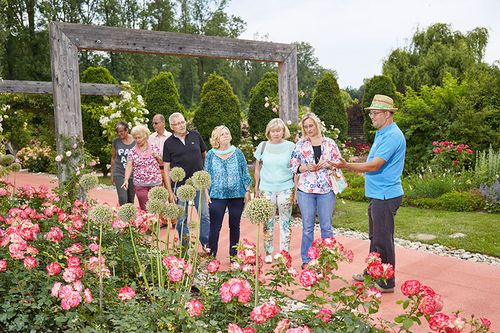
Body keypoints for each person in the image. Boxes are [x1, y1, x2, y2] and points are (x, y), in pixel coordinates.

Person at [332, 94, 406, 293]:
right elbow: (373, 158)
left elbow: (375, 165)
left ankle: (387, 281)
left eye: (375, 113)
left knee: (383, 239)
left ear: (388, 114)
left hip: (386, 195)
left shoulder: (392, 135)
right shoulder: (382, 133)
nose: (371, 117)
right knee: (376, 237)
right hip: (378, 194)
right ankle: (373, 272)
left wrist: (347, 165)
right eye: (371, 113)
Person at [290, 112, 343, 270]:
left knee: (326, 226)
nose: (308, 129)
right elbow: (293, 166)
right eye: (305, 127)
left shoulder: (330, 143)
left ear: (317, 125)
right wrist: (305, 167)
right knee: (307, 227)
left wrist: (329, 164)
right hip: (306, 189)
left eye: (311, 126)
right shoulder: (300, 145)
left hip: (326, 189)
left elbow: (339, 162)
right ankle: (307, 259)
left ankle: (328, 259)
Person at [162, 112, 210, 251]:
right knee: (181, 218)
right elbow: (166, 169)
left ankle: (206, 243)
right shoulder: (168, 143)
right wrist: (170, 191)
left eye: (182, 122)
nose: (181, 125)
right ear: (172, 127)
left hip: (198, 183)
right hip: (179, 186)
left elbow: (204, 155)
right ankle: (185, 246)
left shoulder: (195, 135)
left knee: (204, 215)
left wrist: (204, 175)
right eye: (177, 123)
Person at [204, 126, 251, 258]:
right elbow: (206, 175)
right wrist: (206, 193)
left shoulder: (238, 153)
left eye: (227, 133)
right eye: (222, 134)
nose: (225, 135)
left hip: (237, 194)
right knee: (215, 226)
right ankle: (211, 255)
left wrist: (247, 191)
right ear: (216, 138)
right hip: (216, 195)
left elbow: (245, 173)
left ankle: (233, 256)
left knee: (235, 225)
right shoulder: (210, 154)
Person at [253, 118, 295, 264]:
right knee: (267, 222)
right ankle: (268, 251)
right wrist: (256, 187)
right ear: (268, 132)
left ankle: (285, 253)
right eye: (273, 131)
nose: (276, 133)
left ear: (283, 131)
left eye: (279, 130)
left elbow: (296, 168)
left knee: (285, 222)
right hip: (267, 189)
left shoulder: (291, 147)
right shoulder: (262, 146)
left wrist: (295, 188)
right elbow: (257, 168)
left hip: (286, 188)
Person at [122, 124, 162, 211]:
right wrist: (126, 180)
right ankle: (148, 224)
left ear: (145, 136)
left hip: (155, 183)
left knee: (157, 208)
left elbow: (162, 163)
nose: (137, 140)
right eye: (135, 138)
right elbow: (129, 166)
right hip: (140, 184)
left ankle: (157, 224)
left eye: (139, 137)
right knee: (145, 209)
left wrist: (158, 157)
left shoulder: (154, 147)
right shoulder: (132, 151)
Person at [111, 121, 136, 206]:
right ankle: (122, 218)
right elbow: (113, 158)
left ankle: (131, 218)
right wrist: (112, 174)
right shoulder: (116, 142)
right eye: (117, 132)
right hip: (119, 172)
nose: (119, 133)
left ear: (127, 130)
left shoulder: (136, 141)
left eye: (121, 131)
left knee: (130, 199)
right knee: (122, 198)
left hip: (133, 174)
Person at [148, 114, 172, 180]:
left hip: (169, 170)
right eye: (153, 123)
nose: (154, 125)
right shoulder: (150, 137)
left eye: (156, 123)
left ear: (163, 123)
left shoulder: (170, 136)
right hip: (155, 171)